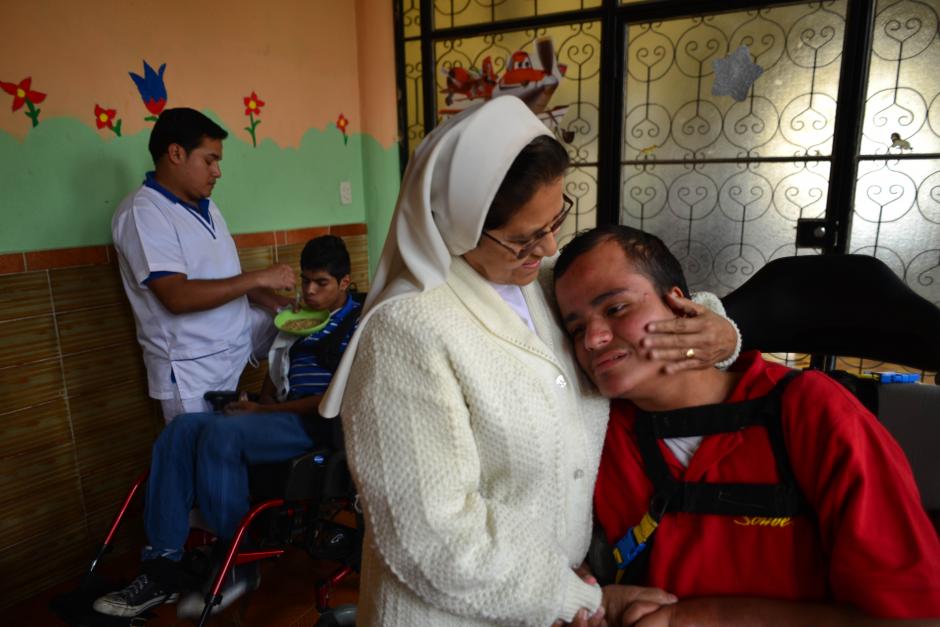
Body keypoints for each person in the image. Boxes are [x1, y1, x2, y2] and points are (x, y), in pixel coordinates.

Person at [317, 96, 739, 626]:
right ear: (459, 225)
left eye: (555, 218)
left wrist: (720, 329)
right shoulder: (408, 331)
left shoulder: (544, 282)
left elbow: (652, 300)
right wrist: (584, 600)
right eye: (524, 237)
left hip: (555, 598)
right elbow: (432, 539)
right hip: (452, 612)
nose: (549, 245)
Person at [552, 224, 940, 626]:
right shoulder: (595, 433)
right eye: (576, 328)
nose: (594, 339)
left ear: (681, 305)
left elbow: (913, 616)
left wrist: (696, 618)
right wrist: (583, 593)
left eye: (616, 308)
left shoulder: (808, 411)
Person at [93, 235, 362, 618]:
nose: (310, 291)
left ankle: (238, 560)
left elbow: (335, 401)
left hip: (316, 424)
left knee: (220, 435)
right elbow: (275, 375)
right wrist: (256, 405)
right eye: (305, 281)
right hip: (280, 416)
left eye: (321, 283)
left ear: (345, 283)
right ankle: (162, 565)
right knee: (181, 430)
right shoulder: (299, 321)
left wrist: (264, 415)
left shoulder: (356, 327)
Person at [112, 107, 296, 422]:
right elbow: (178, 297)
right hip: (192, 366)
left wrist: (278, 304)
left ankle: (273, 413)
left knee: (303, 331)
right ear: (176, 153)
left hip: (235, 339)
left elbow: (227, 280)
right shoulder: (144, 213)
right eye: (209, 161)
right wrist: (259, 278)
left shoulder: (207, 207)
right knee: (201, 456)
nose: (217, 172)